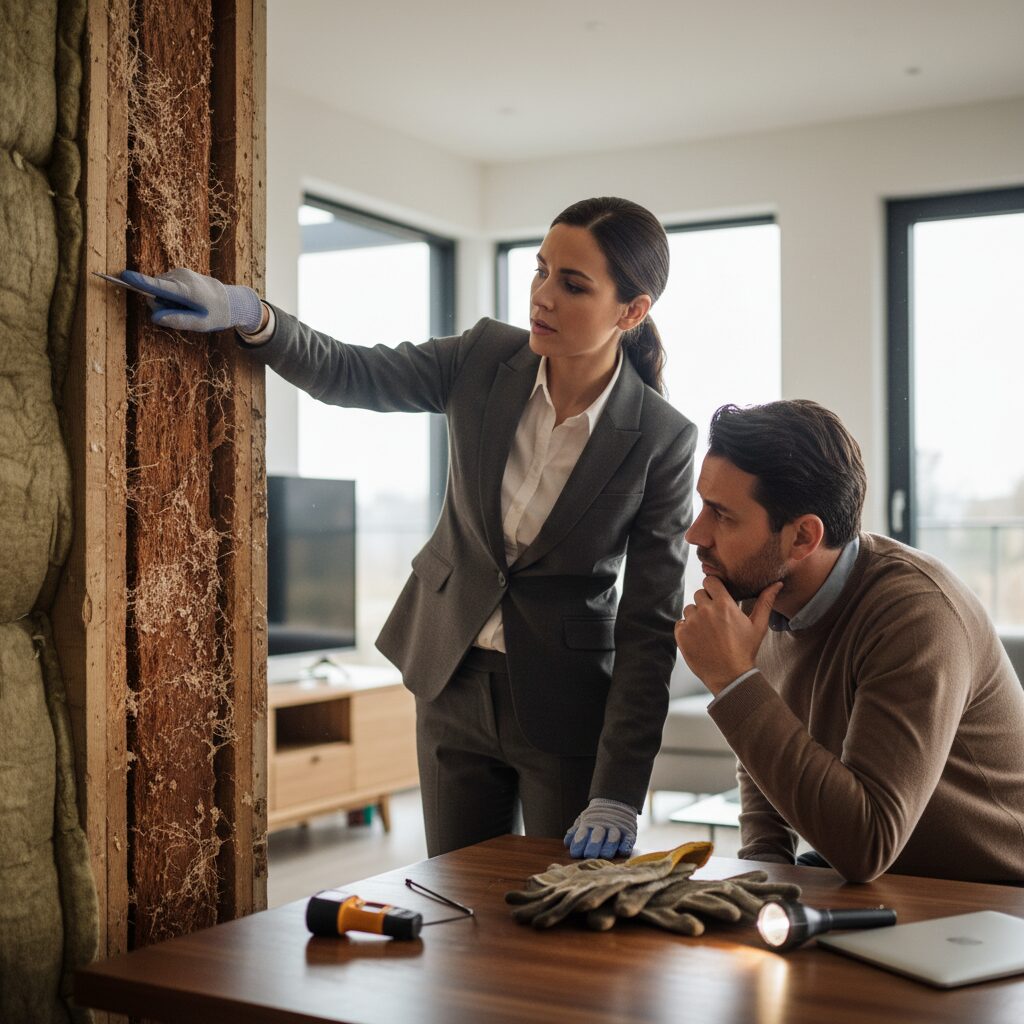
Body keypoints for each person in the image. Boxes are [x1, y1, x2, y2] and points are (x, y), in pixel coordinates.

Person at [121, 197, 698, 860]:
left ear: (632, 311)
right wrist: (256, 316)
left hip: (564, 712)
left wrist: (620, 789)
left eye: (573, 285)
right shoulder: (485, 358)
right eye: (541, 271)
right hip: (448, 676)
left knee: (559, 917)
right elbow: (353, 371)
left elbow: (651, 624)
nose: (542, 296)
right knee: (455, 899)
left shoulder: (662, 438)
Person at [674, 399, 1024, 884]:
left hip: (989, 895)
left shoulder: (914, 614)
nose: (696, 534)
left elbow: (869, 842)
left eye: (722, 515)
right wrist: (764, 872)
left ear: (802, 538)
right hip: (876, 877)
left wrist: (735, 681)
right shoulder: (764, 597)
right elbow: (761, 759)